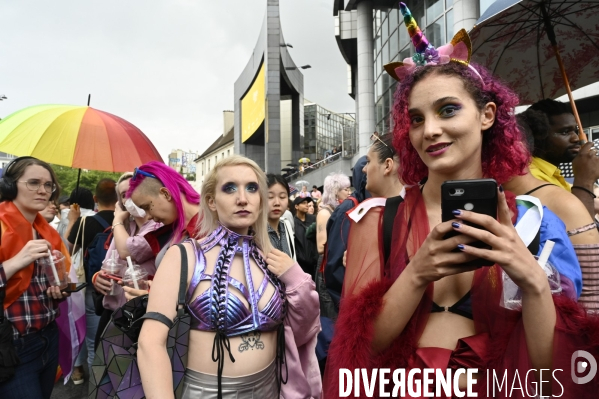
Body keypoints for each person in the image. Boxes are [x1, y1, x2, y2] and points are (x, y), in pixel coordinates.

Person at [324, 8, 599, 397]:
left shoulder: (534, 222)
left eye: (447, 109)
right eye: (416, 119)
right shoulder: (378, 222)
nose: (430, 130)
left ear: (487, 115)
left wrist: (533, 281)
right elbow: (358, 350)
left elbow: (547, 373)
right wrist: (417, 272)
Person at [137, 155, 321, 398]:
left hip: (272, 388)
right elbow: (150, 344)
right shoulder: (184, 257)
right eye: (230, 188)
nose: (242, 198)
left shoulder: (272, 259)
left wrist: (296, 278)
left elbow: (305, 329)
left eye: (252, 188)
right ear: (212, 202)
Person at [503, 111, 599, 310]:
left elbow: (591, 299)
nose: (575, 138)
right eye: (564, 131)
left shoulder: (551, 200)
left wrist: (585, 180)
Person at [0, 156, 71, 399]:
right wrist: (16, 261)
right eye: (33, 183)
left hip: (47, 338)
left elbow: (55, 283)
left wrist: (60, 290)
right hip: (11, 345)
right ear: (10, 185)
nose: (43, 190)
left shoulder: (48, 232)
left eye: (48, 185)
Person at [91, 172, 160, 350]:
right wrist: (98, 277)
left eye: (133, 190)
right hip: (113, 313)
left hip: (142, 314)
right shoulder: (125, 226)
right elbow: (108, 262)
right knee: (106, 369)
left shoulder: (158, 225)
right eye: (123, 195)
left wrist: (116, 220)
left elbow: (127, 251)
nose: (129, 197)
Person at [67, 178, 117, 383]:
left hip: (92, 288)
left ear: (95, 198)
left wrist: (73, 220)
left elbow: (69, 251)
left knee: (92, 342)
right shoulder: (129, 220)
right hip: (121, 288)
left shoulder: (85, 222)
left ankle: (95, 387)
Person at [527, 98, 599, 218]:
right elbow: (581, 229)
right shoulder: (532, 177)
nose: (576, 138)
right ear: (539, 135)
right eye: (565, 132)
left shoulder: (554, 174)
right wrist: (584, 178)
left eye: (575, 131)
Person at [323, 156, 370, 312]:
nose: (348, 191)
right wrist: (349, 306)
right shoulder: (348, 208)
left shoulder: (369, 204)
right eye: (344, 188)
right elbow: (335, 265)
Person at [266, 173, 296, 260]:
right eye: (270, 197)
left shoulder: (286, 225)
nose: (277, 203)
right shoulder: (253, 232)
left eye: (282, 197)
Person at [293, 196, 318, 277]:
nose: (307, 205)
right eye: (303, 203)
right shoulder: (292, 223)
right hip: (302, 265)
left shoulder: (313, 219)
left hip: (316, 262)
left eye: (307, 203)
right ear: (296, 206)